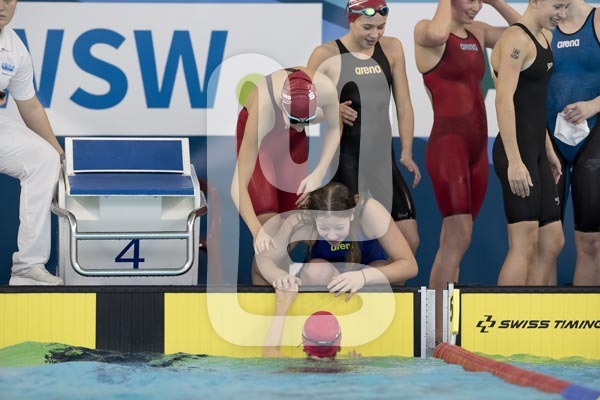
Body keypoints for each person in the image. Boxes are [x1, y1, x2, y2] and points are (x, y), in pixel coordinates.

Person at [413, 0, 520, 340]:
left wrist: (495, 2)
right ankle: (436, 333)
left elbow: (526, 33)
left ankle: (444, 328)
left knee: (458, 240)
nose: (475, 6)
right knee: (457, 235)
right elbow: (437, 32)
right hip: (449, 148)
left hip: (476, 150)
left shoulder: (479, 32)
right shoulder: (425, 30)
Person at [307, 0, 420, 254]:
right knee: (349, 244)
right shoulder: (326, 54)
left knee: (409, 239)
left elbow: (403, 104)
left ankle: (385, 280)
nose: (375, 34)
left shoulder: (392, 48)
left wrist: (406, 151)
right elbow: (300, 112)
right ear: (351, 19)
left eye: (381, 27)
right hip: (346, 161)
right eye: (368, 27)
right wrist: (330, 110)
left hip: (383, 161)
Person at [231, 67, 341, 284]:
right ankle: (264, 293)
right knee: (270, 233)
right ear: (283, 108)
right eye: (295, 121)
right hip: (263, 146)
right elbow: (237, 186)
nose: (301, 128)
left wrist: (319, 173)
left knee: (291, 225)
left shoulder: (326, 88)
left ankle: (282, 285)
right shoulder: (263, 110)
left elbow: (335, 126)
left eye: (307, 122)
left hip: (291, 145)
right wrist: (257, 231)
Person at [491, 0, 569, 285]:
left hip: (536, 149)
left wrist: (547, 149)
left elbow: (534, 103)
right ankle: (506, 312)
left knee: (552, 240)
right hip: (516, 151)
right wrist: (514, 161)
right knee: (524, 243)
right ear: (535, 1)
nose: (562, 15)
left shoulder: (543, 37)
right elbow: (503, 101)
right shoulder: (516, 40)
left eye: (566, 8)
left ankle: (531, 305)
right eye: (557, 7)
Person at [255, 182, 418, 297]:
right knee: (317, 271)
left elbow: (409, 266)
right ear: (314, 218)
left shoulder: (370, 212)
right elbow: (262, 261)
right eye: (324, 228)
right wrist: (279, 276)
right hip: (324, 280)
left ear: (351, 214)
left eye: (339, 227)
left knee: (383, 275)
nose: (332, 236)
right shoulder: (302, 220)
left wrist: (363, 277)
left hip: (367, 273)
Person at [1, 0, 64, 285]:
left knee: (44, 158)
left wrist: (58, 152)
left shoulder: (14, 49)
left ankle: (28, 267)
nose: (2, 5)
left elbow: (31, 107)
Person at [546, 0, 600, 285]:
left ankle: (584, 313)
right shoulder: (542, 23)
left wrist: (593, 105)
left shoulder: (598, 20)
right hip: (548, 140)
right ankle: (541, 312)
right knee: (545, 242)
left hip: (593, 138)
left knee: (592, 241)